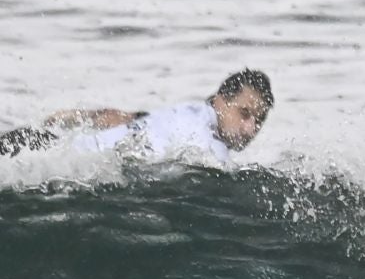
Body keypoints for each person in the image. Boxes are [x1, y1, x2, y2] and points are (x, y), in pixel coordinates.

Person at [0, 69, 273, 164]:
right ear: (220, 101)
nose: (250, 128)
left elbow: (117, 117)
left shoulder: (181, 113)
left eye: (258, 121)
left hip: (38, 142)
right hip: (46, 161)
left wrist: (61, 118)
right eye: (244, 113)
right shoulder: (208, 140)